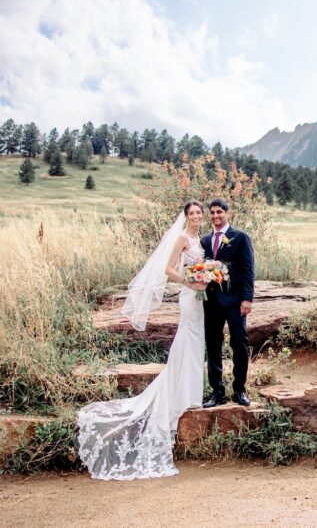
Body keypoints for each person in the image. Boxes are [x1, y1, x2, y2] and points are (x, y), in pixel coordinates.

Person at [76, 200, 208, 480]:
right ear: (185, 216)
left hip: (200, 297)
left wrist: (206, 274)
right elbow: (169, 269)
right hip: (189, 295)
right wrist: (190, 282)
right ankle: (181, 394)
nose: (197, 216)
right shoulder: (182, 238)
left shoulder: (198, 238)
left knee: (196, 344)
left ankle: (191, 394)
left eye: (199, 213)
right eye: (192, 213)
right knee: (187, 339)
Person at [201, 198, 255, 407]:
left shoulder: (240, 237)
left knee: (239, 344)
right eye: (212, 213)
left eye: (219, 212)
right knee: (213, 346)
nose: (215, 216)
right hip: (212, 302)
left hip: (235, 301)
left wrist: (247, 299)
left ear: (227, 213)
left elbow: (248, 270)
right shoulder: (205, 241)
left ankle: (239, 389)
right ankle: (217, 392)